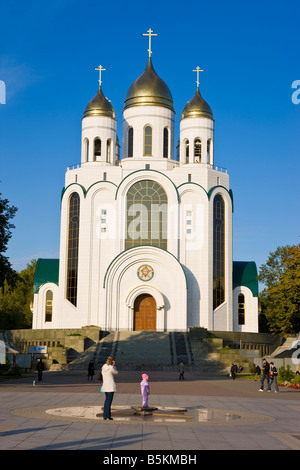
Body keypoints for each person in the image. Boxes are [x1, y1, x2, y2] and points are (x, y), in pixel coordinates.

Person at [101, 356, 118, 420]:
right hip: (110, 387)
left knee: (106, 401)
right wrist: (113, 365)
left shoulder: (103, 367)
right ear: (112, 361)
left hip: (105, 386)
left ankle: (105, 415)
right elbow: (116, 372)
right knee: (109, 401)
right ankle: (108, 416)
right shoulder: (111, 368)